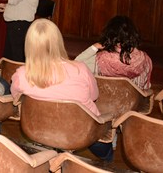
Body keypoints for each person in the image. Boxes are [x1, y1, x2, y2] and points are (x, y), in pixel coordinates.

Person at [10, 19, 113, 161]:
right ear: (58, 41)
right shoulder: (80, 69)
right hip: (82, 132)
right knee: (105, 147)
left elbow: (16, 99)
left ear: (29, 44)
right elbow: (94, 96)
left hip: (40, 130)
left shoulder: (21, 75)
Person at [75, 15, 152, 90]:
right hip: (132, 102)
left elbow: (76, 64)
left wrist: (94, 47)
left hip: (104, 101)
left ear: (109, 36)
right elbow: (145, 88)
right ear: (134, 36)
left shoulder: (100, 60)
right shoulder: (145, 61)